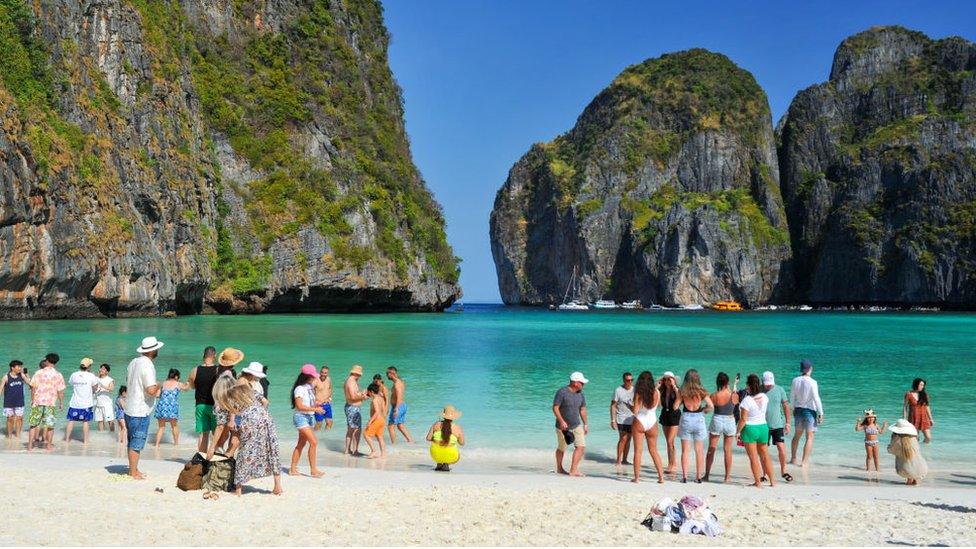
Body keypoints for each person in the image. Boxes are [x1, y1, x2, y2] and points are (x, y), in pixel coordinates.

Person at [207, 384, 282, 496]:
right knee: (272, 450)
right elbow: (266, 402)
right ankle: (277, 486)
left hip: (250, 420)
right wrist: (259, 412)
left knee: (244, 452)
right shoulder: (252, 392)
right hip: (266, 418)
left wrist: (233, 425)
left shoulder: (233, 397)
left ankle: (238, 490)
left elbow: (233, 415)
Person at [124, 337, 162, 479]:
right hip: (140, 409)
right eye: (156, 349)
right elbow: (151, 390)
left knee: (132, 440)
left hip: (129, 406)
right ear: (153, 350)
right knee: (137, 442)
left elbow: (129, 381)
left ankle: (133, 469)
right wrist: (160, 384)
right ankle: (133, 472)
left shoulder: (134, 362)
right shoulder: (148, 365)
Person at [737, 374, 775, 488]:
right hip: (763, 427)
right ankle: (773, 482)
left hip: (750, 429)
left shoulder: (746, 400)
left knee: (753, 457)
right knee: (765, 456)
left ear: (748, 385)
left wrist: (737, 432)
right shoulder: (764, 396)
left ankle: (758, 482)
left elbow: (743, 419)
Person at [677, 369, 713, 483]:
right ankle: (698, 477)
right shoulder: (702, 391)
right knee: (699, 450)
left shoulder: (682, 391)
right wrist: (704, 411)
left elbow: (675, 406)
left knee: (685, 451)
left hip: (686, 418)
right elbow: (711, 406)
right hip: (699, 419)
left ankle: (684, 477)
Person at [703, 372, 738, 483]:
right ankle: (727, 478)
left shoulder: (714, 395)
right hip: (730, 420)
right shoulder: (734, 395)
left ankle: (707, 475)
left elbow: (708, 409)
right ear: (727, 382)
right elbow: (736, 406)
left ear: (718, 382)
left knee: (711, 448)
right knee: (727, 450)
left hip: (717, 419)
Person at [630, 371, 664, 484]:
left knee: (638, 451)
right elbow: (658, 406)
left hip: (640, 420)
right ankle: (661, 478)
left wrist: (629, 405)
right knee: (654, 450)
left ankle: (637, 478)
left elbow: (635, 411)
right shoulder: (657, 392)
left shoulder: (639, 393)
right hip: (652, 421)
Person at [553, 371, 589, 477]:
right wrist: (561, 421)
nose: (584, 384)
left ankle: (573, 470)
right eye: (582, 382)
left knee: (581, 447)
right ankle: (559, 468)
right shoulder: (562, 392)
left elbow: (582, 409)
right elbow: (555, 407)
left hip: (576, 425)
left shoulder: (580, 394)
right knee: (562, 448)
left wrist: (585, 424)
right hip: (563, 427)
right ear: (575, 383)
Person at [290, 367, 324, 477]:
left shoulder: (309, 387)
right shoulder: (299, 389)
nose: (315, 377)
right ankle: (313, 470)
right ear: (308, 376)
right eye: (313, 376)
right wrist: (316, 410)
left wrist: (317, 404)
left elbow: (309, 403)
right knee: (314, 442)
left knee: (301, 444)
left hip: (309, 417)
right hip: (301, 417)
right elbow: (299, 406)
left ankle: (292, 469)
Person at [27, 353, 66, 451]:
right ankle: (48, 446)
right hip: (50, 403)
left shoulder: (38, 372)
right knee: (50, 426)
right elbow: (60, 391)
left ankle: (30, 446)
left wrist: (32, 400)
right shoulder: (58, 375)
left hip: (38, 401)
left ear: (47, 361)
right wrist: (61, 403)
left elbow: (33, 388)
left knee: (33, 424)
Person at [790, 359, 823, 467]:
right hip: (809, 411)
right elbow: (816, 398)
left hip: (798, 410)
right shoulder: (813, 382)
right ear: (810, 369)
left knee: (797, 435)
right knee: (809, 437)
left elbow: (792, 396)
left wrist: (793, 408)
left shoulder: (795, 380)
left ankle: (793, 459)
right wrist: (821, 413)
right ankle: (804, 462)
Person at [187, 346, 219, 453]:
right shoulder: (218, 370)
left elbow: (192, 386)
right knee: (215, 434)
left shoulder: (194, 370)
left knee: (203, 434)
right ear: (214, 355)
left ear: (203, 355)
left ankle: (201, 459)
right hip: (215, 406)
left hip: (200, 405)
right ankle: (213, 458)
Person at [762, 371, 793, 482]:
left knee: (781, 448)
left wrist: (788, 423)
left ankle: (783, 471)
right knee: (763, 450)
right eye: (767, 383)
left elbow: (786, 407)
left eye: (770, 383)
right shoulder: (759, 390)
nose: (768, 385)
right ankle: (765, 473)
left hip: (778, 425)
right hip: (763, 425)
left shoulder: (780, 390)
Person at [64, 358, 99, 444]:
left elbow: (71, 384)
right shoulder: (91, 376)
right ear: (89, 367)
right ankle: (86, 441)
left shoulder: (74, 375)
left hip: (74, 402)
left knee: (71, 420)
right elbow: (95, 389)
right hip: (86, 403)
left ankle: (67, 439)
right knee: (85, 421)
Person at [154, 369, 189, 447]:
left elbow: (157, 395)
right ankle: (176, 443)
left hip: (162, 406)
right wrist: (188, 383)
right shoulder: (178, 384)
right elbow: (186, 389)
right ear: (176, 376)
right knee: (174, 426)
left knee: (161, 427)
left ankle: (157, 444)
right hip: (172, 406)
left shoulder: (163, 384)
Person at [888, 418, 927, 485]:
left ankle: (909, 480)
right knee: (912, 458)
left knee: (903, 459)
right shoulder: (914, 438)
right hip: (922, 467)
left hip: (904, 470)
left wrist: (892, 440)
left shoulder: (897, 441)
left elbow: (890, 450)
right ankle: (915, 480)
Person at [426, 405, 465, 471]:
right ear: (453, 417)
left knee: (437, 447)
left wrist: (437, 440)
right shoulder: (457, 428)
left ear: (443, 416)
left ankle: (439, 463)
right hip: (451, 454)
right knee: (457, 456)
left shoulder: (436, 424)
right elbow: (462, 443)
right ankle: (446, 463)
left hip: (435, 454)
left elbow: (428, 438)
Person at [657, 371, 681, 474]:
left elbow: (680, 399)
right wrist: (657, 387)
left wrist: (674, 386)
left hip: (674, 416)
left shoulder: (677, 390)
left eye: (669, 379)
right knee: (668, 442)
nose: (667, 381)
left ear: (673, 380)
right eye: (665, 379)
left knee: (670, 441)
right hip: (665, 415)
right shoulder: (661, 391)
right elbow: (657, 404)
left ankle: (673, 465)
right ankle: (671, 463)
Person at [610, 372, 634, 466]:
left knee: (629, 439)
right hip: (621, 418)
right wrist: (613, 420)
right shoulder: (618, 390)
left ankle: (625, 460)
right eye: (628, 380)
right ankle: (618, 460)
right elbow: (613, 405)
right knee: (623, 439)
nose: (630, 382)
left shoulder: (635, 390)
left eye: (632, 380)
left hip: (632, 418)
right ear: (624, 380)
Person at [386, 366, 414, 444]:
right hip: (402, 406)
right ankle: (411, 441)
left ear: (391, 373)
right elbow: (395, 392)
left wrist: (396, 409)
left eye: (387, 373)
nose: (386, 375)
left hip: (398, 406)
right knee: (400, 425)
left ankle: (394, 445)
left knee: (390, 426)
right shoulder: (399, 382)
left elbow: (398, 396)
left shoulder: (397, 384)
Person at [343, 365, 366, 455]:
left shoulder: (349, 380)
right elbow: (352, 397)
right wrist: (363, 397)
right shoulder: (352, 381)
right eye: (359, 375)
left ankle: (348, 450)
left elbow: (352, 395)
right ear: (357, 374)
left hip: (351, 407)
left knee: (351, 429)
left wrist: (361, 394)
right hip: (353, 408)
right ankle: (355, 451)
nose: (359, 377)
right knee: (356, 429)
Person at [2, 360, 28, 439]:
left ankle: (18, 435)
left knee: (19, 418)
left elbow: (29, 382)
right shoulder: (6, 377)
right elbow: (1, 388)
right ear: (12, 368)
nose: (20, 368)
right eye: (18, 367)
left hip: (19, 401)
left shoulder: (22, 375)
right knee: (10, 419)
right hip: (8, 402)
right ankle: (9, 436)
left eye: (20, 366)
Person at [903, 378, 933, 443]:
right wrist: (904, 419)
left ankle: (924, 449)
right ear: (916, 384)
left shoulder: (925, 395)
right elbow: (905, 407)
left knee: (928, 438)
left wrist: (931, 419)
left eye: (923, 385)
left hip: (924, 418)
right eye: (921, 385)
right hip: (913, 419)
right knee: (915, 439)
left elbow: (927, 407)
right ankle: (917, 451)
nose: (922, 386)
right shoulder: (909, 394)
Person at [363, 382, 387, 459]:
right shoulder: (381, 398)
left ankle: (373, 451)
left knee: (366, 434)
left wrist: (370, 421)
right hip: (382, 419)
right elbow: (383, 410)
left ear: (372, 392)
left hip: (377, 420)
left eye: (369, 392)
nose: (368, 394)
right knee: (380, 436)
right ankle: (383, 454)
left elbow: (376, 412)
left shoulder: (375, 400)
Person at [93, 364, 116, 433]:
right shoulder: (96, 379)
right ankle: (102, 437)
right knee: (100, 420)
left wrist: (103, 386)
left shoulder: (110, 379)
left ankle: (113, 435)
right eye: (100, 368)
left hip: (107, 404)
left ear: (107, 372)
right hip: (98, 403)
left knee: (110, 420)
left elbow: (112, 389)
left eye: (103, 369)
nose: (100, 370)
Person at [313, 366, 333, 430]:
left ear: (327, 373)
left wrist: (330, 398)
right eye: (322, 372)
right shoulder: (316, 380)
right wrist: (314, 401)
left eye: (325, 373)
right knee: (319, 423)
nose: (323, 374)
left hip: (327, 404)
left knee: (329, 422)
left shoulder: (328, 379)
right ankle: (313, 437)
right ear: (320, 372)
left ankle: (324, 438)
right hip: (318, 405)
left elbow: (330, 389)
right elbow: (309, 390)